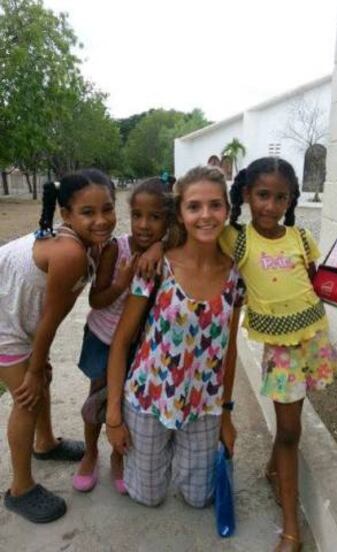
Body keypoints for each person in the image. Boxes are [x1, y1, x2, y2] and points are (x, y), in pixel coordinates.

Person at [220, 157, 337, 552]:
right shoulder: (235, 238)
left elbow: (322, 286)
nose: (270, 206)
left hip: (314, 338)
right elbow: (191, 233)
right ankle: (291, 528)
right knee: (290, 432)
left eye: (280, 197)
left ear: (291, 200)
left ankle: (274, 469)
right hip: (281, 349)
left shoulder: (301, 239)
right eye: (262, 195)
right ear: (247, 195)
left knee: (292, 422)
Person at [105, 165, 245, 508]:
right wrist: (113, 417)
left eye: (215, 205)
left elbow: (229, 350)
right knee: (147, 496)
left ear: (227, 210)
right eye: (194, 206)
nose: (206, 215)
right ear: (180, 215)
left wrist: (226, 415)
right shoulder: (156, 267)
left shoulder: (235, 276)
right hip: (149, 397)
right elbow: (122, 342)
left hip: (204, 402)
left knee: (200, 499)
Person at [0, 169, 116, 523]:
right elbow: (51, 317)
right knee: (27, 397)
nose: (101, 220)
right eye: (87, 212)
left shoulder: (91, 246)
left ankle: (46, 444)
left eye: (107, 209)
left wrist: (40, 359)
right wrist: (34, 368)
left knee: (39, 380)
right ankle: (20, 489)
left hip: (17, 317)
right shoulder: (69, 252)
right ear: (66, 215)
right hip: (5, 324)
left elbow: (48, 317)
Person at [73, 177, 174, 494]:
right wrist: (122, 281)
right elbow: (96, 299)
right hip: (103, 337)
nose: (144, 225)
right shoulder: (116, 249)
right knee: (97, 399)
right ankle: (90, 454)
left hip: (137, 344)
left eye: (155, 217)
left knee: (125, 403)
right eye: (138, 216)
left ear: (167, 221)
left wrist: (160, 245)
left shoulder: (166, 251)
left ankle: (118, 456)